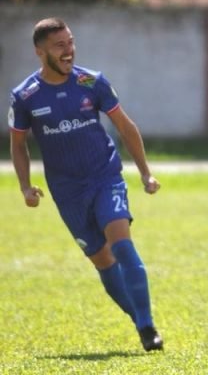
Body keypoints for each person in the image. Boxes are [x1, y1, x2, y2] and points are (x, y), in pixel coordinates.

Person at [8, 18, 164, 352]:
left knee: (121, 244)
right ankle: (139, 321)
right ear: (40, 52)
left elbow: (125, 126)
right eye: (60, 45)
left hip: (104, 176)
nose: (69, 50)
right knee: (102, 260)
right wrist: (25, 186)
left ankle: (148, 327)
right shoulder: (25, 96)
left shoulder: (92, 81)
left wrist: (145, 172)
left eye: (71, 42)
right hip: (67, 191)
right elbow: (18, 144)